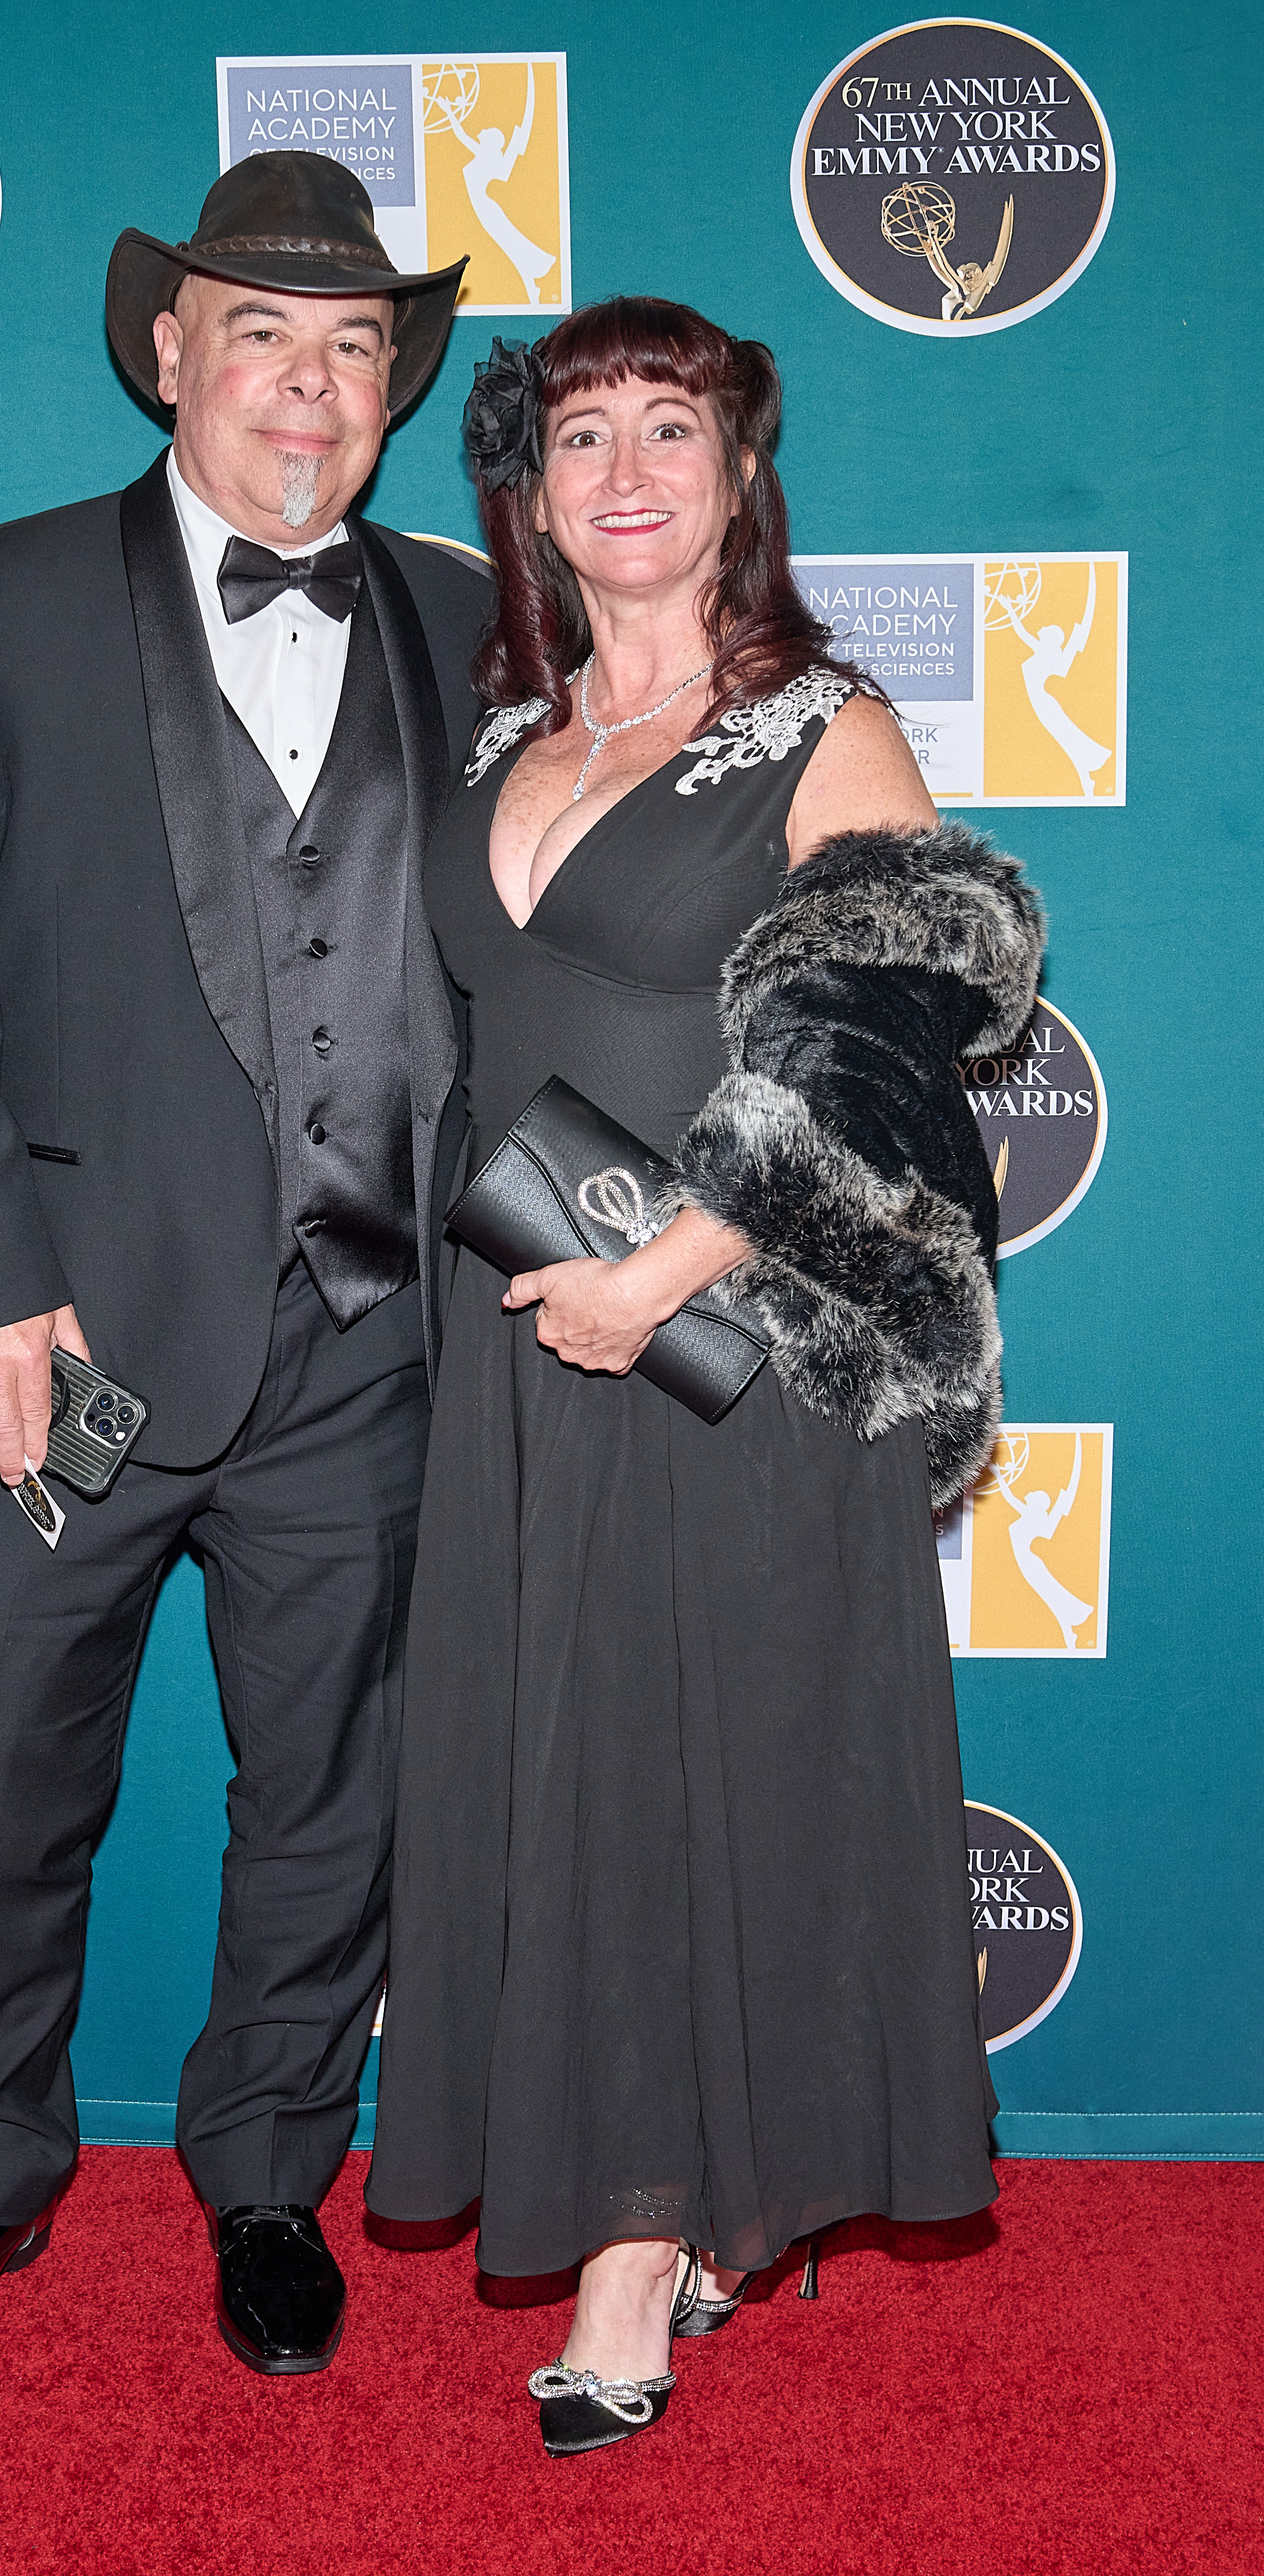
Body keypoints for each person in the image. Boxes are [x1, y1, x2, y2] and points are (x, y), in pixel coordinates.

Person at [365, 300, 1044, 2456]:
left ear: (742, 477)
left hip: (731, 1351)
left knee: (718, 1771)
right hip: (522, 1344)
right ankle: (672, 2182)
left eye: (672, 428)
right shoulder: (507, 734)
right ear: (531, 490)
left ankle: (640, 2246)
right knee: (569, 1777)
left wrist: (660, 1272)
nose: (626, 470)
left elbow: (879, 1044)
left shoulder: (824, 725)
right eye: (581, 435)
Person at [0, 156, 488, 2385]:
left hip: (373, 1338)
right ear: (167, 354)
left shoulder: (475, 622)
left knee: (331, 1790)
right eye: (262, 336)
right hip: (66, 1338)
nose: (309, 386)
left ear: (391, 389)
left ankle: (270, 2173)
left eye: (354, 347)